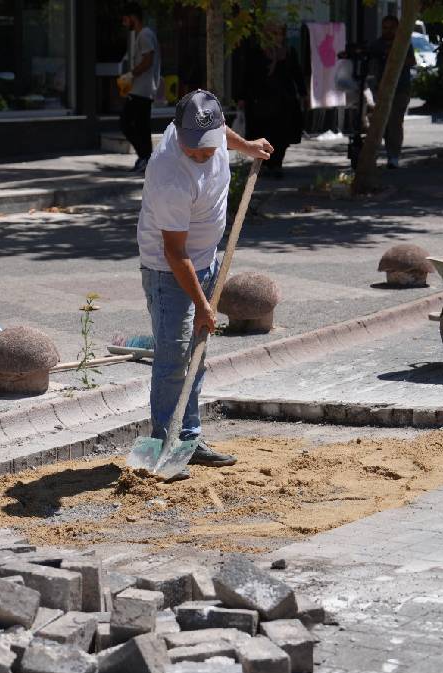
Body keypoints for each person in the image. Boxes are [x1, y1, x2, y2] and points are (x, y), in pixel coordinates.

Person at [138, 90, 273, 480]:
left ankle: (189, 439)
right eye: (192, 149)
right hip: (169, 272)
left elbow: (221, 131)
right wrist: (202, 303)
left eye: (207, 148)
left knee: (195, 356)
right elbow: (174, 253)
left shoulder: (210, 132)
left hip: (206, 260)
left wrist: (247, 147)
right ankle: (164, 446)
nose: (200, 155)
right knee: (173, 359)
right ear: (177, 132)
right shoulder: (169, 175)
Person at [234, 24, 305, 179]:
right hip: (260, 102)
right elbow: (247, 75)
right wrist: (241, 97)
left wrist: (303, 93)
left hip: (283, 103)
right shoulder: (256, 52)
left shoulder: (288, 52)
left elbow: (296, 73)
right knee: (261, 134)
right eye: (271, 33)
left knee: (281, 136)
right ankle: (263, 164)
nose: (275, 37)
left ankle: (277, 164)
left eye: (278, 33)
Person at [368, 15, 416, 168]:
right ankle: (373, 155)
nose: (387, 31)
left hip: (400, 89)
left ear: (397, 28)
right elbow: (369, 58)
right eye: (384, 28)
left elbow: (412, 61)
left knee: (395, 121)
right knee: (381, 122)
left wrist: (395, 56)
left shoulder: (403, 43)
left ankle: (393, 156)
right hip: (381, 88)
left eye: (390, 28)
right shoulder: (377, 44)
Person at [120, 3, 161, 173]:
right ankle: (146, 159)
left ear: (133, 18)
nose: (124, 23)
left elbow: (148, 60)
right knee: (140, 126)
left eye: (125, 19)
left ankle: (145, 157)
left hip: (142, 90)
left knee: (127, 123)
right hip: (141, 89)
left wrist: (131, 75)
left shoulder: (144, 35)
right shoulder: (142, 35)